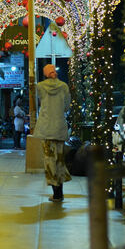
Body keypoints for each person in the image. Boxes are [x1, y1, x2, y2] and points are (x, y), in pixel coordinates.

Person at [34, 64, 71, 202]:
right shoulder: (64, 86)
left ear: (45, 74)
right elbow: (67, 106)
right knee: (60, 160)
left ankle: (55, 192)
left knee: (49, 159)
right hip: (59, 127)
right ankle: (59, 192)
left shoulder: (40, 87)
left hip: (46, 128)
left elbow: (38, 103)